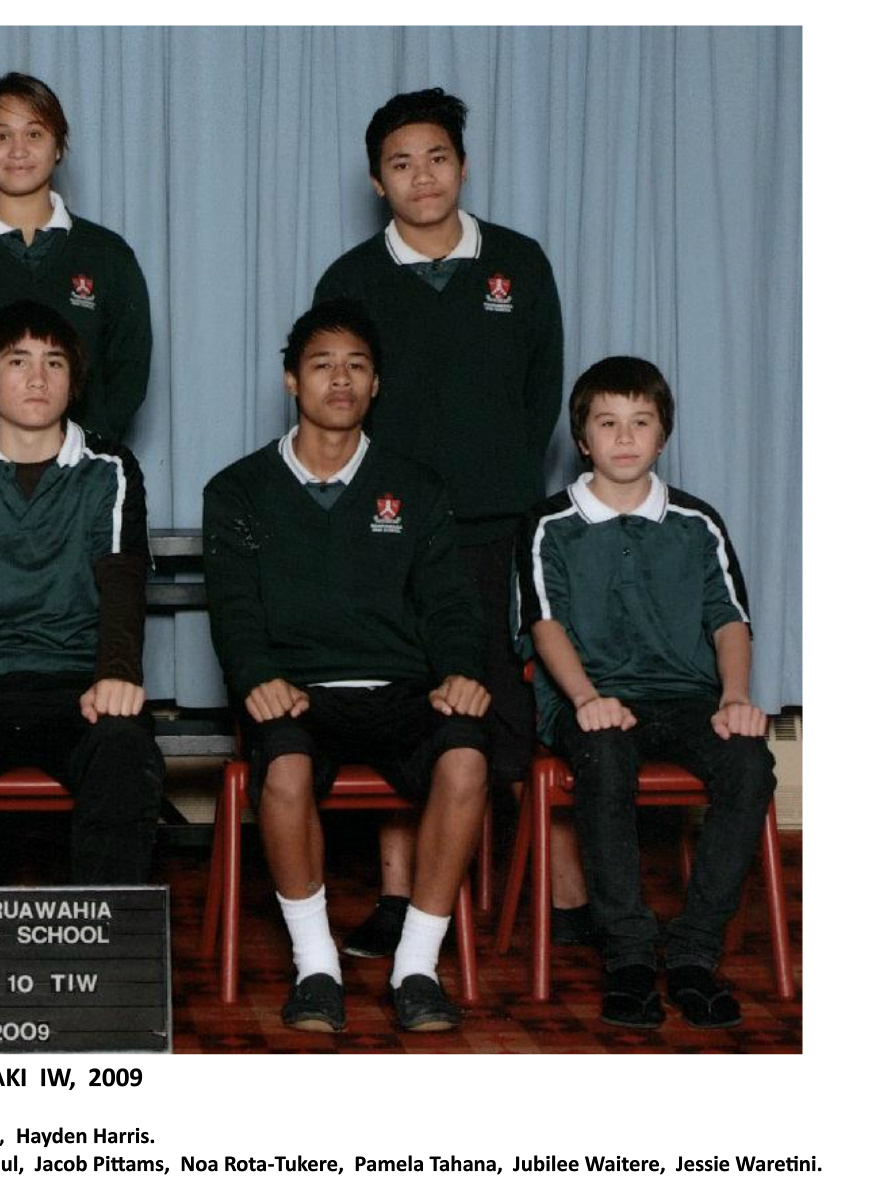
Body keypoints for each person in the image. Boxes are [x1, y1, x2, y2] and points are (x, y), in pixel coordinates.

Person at [314, 86, 590, 954]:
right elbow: (337, 403)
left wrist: (500, 475)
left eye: (437, 158)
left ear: (463, 167)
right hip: (389, 528)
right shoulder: (351, 280)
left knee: (513, 696)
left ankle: (562, 894)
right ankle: (400, 897)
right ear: (377, 181)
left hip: (499, 520)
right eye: (401, 164)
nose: (422, 176)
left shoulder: (519, 262)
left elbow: (542, 391)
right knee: (406, 696)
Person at [203, 299, 490, 1034]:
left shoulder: (416, 486)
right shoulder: (237, 489)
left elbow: (451, 605)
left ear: (376, 384)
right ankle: (317, 968)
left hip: (403, 691)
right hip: (299, 695)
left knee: (466, 761)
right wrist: (256, 675)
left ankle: (416, 966)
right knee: (285, 771)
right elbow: (234, 609)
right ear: (291, 380)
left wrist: (460, 668)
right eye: (322, 365)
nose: (340, 380)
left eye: (356, 366)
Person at [513, 356, 776, 1029]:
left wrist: (734, 698)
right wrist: (584, 698)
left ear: (662, 436)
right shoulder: (549, 525)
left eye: (640, 422)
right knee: (604, 755)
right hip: (594, 700)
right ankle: (628, 954)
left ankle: (694, 952)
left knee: (750, 763)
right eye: (608, 423)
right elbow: (545, 624)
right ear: (583, 440)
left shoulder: (697, 522)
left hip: (688, 698)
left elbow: (729, 620)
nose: (625, 437)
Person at [0, 299, 162, 883]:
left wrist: (116, 672)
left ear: (74, 382)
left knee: (123, 747)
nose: (37, 378)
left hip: (76, 684)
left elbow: (122, 577)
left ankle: (104, 933)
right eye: (17, 361)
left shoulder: (109, 467)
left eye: (54, 362)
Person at [0, 72, 151, 441]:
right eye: (2, 136)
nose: (18, 150)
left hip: (82, 465)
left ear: (58, 146)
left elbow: (128, 374)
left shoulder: (108, 255)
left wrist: (84, 452)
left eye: (34, 134)